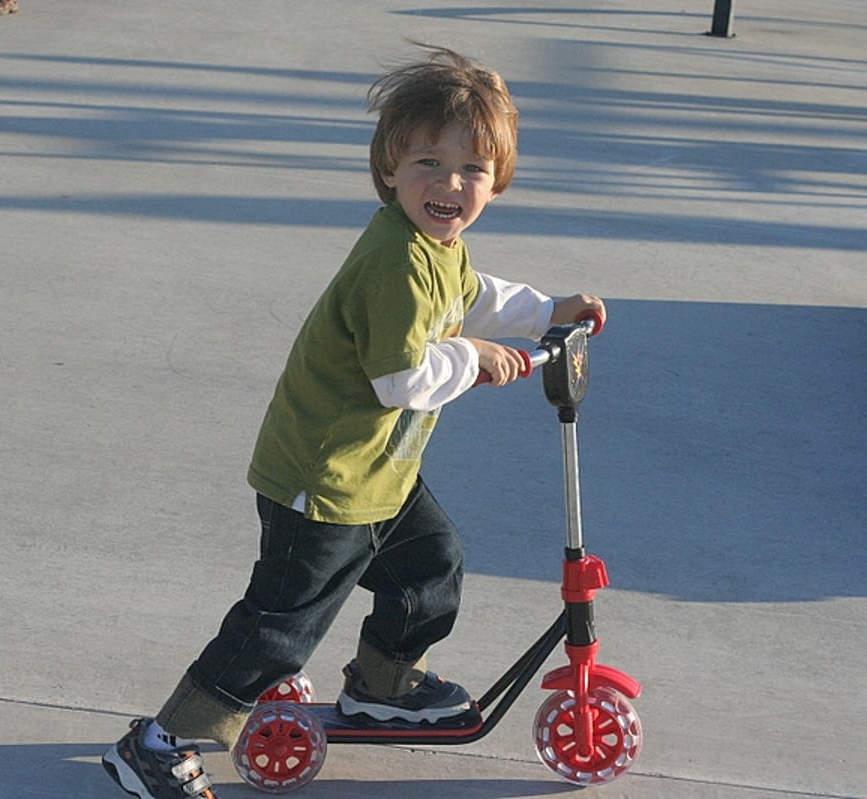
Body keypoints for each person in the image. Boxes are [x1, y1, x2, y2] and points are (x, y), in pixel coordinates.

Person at [102, 44, 606, 799]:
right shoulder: (394, 263)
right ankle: (157, 742)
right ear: (390, 168)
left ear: (495, 183)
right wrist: (475, 358)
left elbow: (474, 292)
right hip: (323, 478)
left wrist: (548, 309)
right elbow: (402, 378)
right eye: (428, 162)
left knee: (430, 566)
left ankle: (385, 682)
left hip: (379, 474)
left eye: (471, 168)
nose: (449, 183)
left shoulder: (439, 248)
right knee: (281, 625)